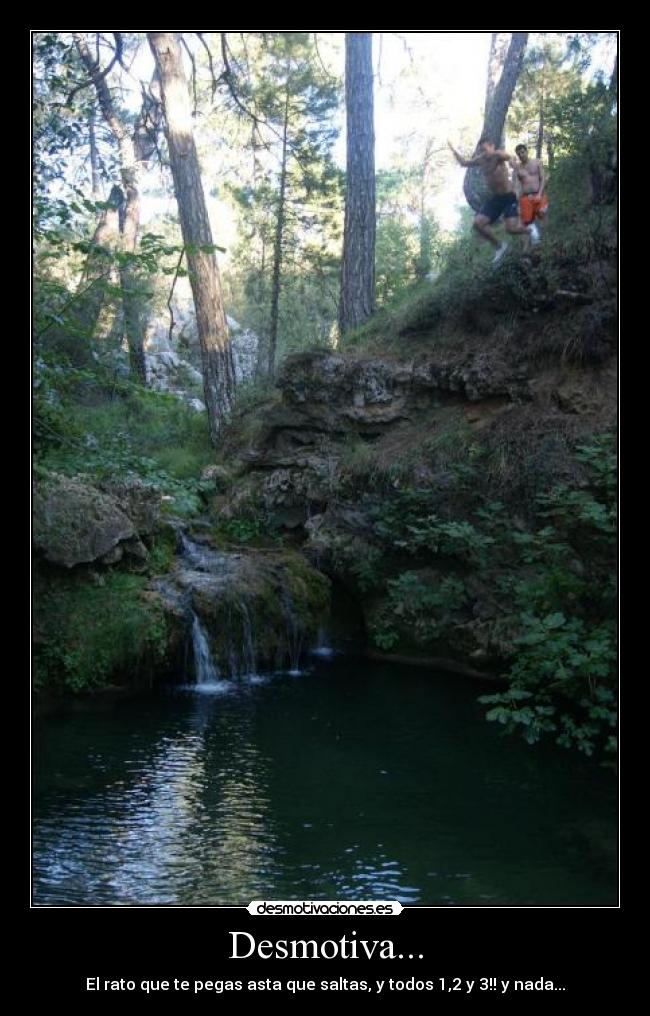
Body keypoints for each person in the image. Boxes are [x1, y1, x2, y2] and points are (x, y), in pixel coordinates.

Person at [448, 135, 538, 263]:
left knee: (511, 229)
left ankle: (530, 230)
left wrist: (514, 166)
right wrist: (453, 150)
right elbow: (464, 163)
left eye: (485, 150)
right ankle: (499, 247)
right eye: (481, 150)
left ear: (492, 146)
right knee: (477, 224)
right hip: (496, 199)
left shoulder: (498, 155)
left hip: (509, 197)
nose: (483, 153)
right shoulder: (480, 160)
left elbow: (510, 158)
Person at [513, 143, 548, 241]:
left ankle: (546, 238)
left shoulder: (537, 162)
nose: (521, 155)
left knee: (542, 214)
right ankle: (536, 241)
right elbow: (517, 186)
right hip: (525, 197)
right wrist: (517, 202)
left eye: (522, 152)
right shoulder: (518, 169)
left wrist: (540, 194)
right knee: (527, 221)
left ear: (526, 151)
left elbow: (543, 178)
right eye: (519, 154)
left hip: (539, 193)